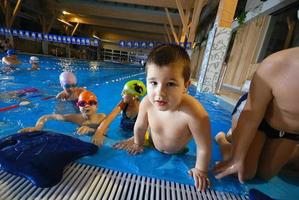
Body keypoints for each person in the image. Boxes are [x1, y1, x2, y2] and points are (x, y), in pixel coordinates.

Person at [112, 44, 212, 191]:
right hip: (151, 143)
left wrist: (201, 170)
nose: (160, 93)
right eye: (153, 83)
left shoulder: (195, 113)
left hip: (178, 151)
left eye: (170, 84)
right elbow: (140, 126)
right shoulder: (147, 102)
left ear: (186, 85)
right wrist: (138, 143)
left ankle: (222, 139)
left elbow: (203, 147)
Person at [214, 47, 299, 183]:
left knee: (265, 175)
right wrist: (236, 158)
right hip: (258, 118)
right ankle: (222, 139)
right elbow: (251, 115)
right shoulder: (276, 65)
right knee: (245, 172)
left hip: (290, 132)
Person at [19, 91, 106, 135]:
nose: (86, 106)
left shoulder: (102, 117)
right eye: (82, 103)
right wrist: (37, 127)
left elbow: (105, 132)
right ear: (78, 106)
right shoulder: (75, 118)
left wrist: (90, 130)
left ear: (97, 105)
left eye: (91, 103)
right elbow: (47, 117)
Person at [92, 80, 146, 145]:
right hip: (121, 132)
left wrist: (132, 140)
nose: (121, 94)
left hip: (134, 135)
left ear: (134, 97)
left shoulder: (143, 109)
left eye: (124, 92)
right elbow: (110, 117)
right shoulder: (123, 103)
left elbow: (145, 132)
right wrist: (99, 131)